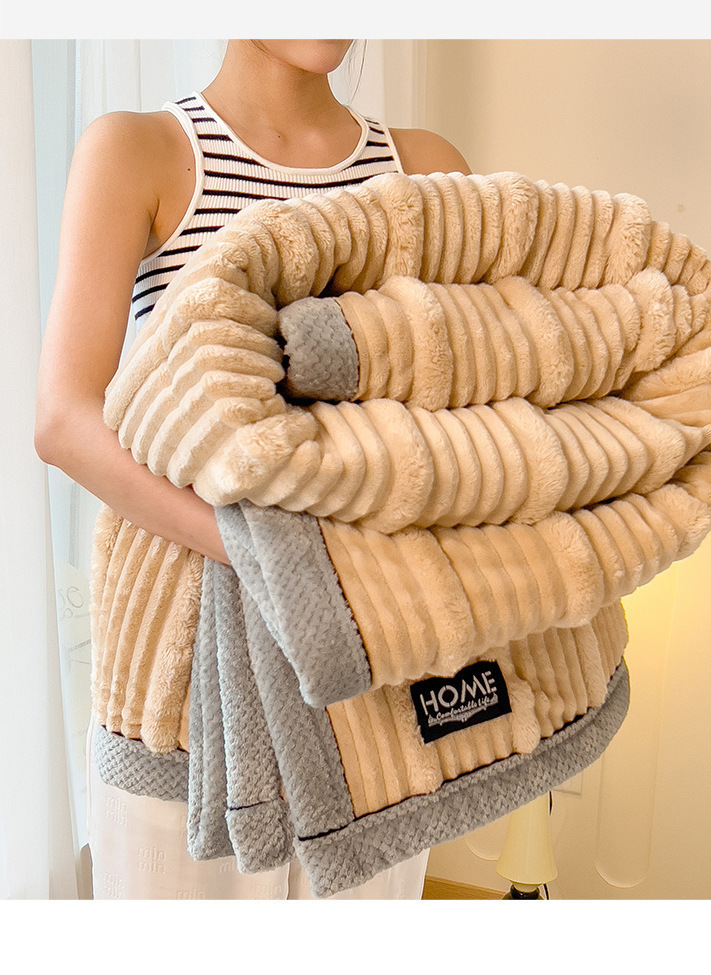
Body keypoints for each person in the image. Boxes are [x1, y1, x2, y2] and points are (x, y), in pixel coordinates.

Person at [34, 39, 471, 900]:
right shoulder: (142, 151)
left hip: (375, 678)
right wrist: (280, 557)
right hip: (187, 687)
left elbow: (467, 407)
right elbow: (64, 420)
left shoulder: (425, 169)